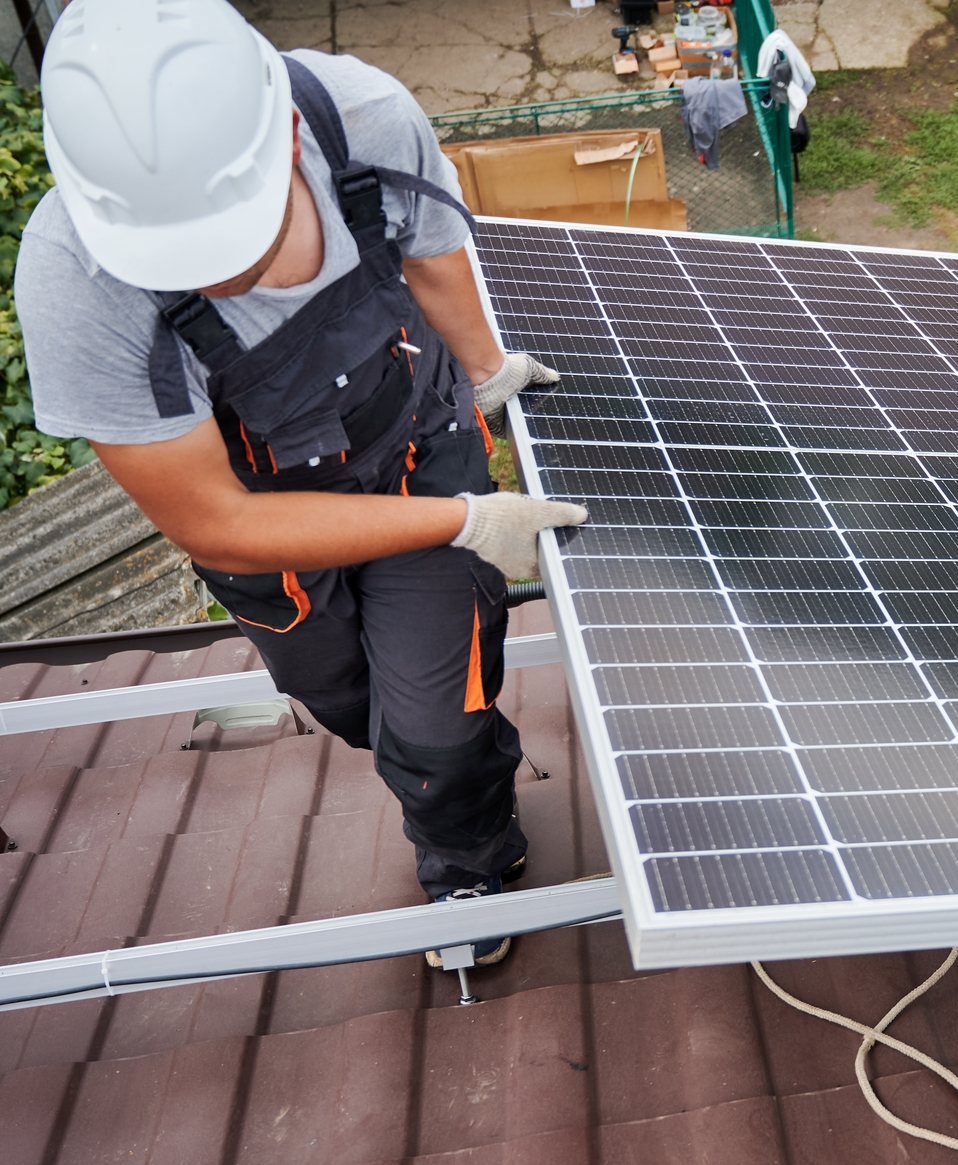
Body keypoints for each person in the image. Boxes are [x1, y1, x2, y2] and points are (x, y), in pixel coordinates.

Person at [19, 0, 588, 967]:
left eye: (228, 237)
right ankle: (442, 768)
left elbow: (436, 260)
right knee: (353, 709)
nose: (219, 275)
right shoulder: (79, 282)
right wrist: (465, 522)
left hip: (412, 459)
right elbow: (218, 522)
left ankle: (468, 856)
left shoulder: (357, 119)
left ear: (285, 133)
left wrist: (486, 375)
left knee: (436, 734)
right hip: (268, 529)